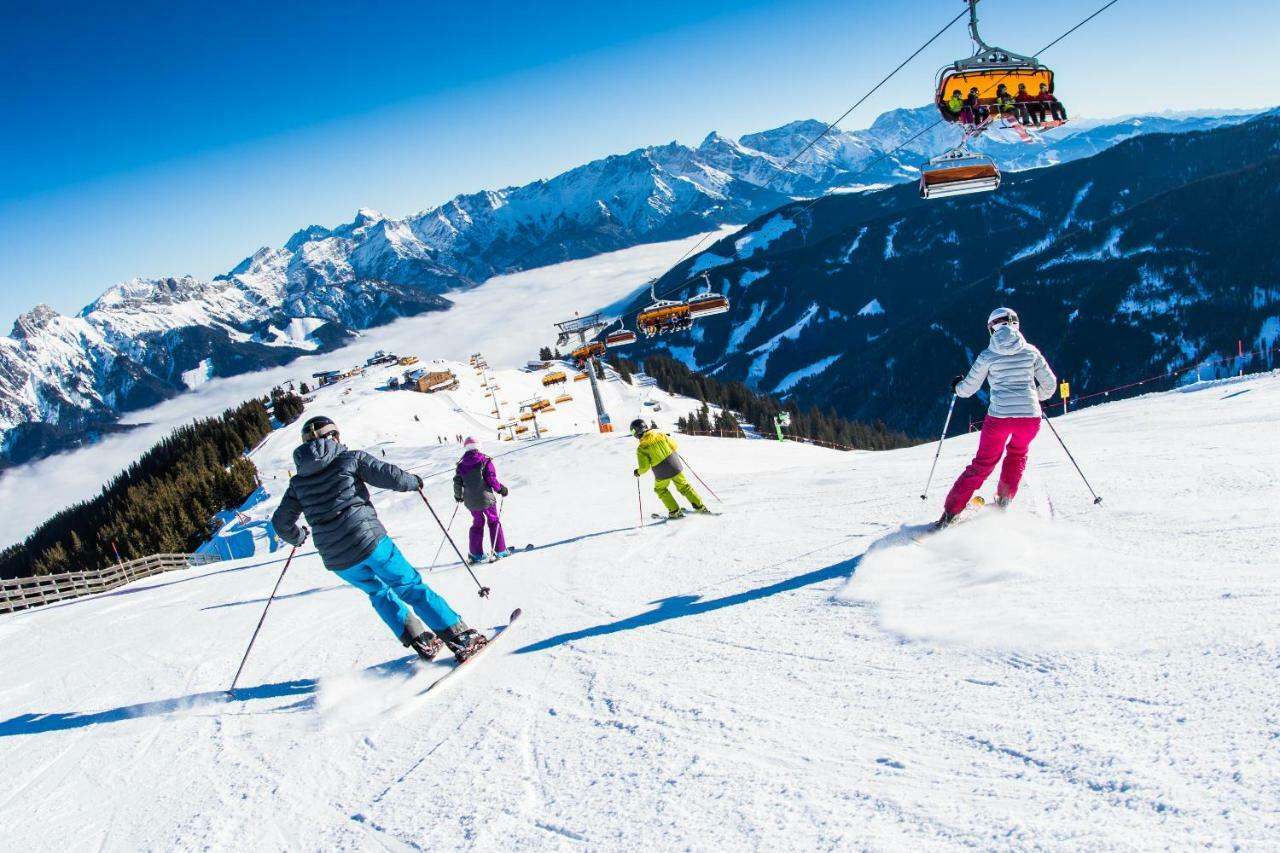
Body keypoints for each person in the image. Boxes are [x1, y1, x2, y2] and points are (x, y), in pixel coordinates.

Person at [271, 416, 486, 662]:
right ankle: (460, 638)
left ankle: (422, 642)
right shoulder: (349, 459)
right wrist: (413, 482)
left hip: (336, 558)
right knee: (409, 586)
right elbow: (388, 475)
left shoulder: (298, 483)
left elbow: (280, 523)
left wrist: (298, 537)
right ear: (334, 437)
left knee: (378, 593)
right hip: (368, 541)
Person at [937, 308, 1057, 528]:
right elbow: (1050, 385)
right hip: (1030, 418)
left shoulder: (988, 355)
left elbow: (968, 390)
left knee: (982, 464)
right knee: (1018, 454)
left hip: (999, 418)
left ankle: (950, 513)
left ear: (991, 328)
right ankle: (1003, 501)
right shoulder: (1032, 352)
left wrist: (956, 386)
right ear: (1016, 325)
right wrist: (1033, 398)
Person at [631, 419, 708, 519]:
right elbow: (674, 446)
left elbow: (644, 467)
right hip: (675, 464)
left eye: (633, 432)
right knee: (684, 486)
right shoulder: (661, 435)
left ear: (637, 431)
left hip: (661, 471)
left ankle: (675, 511)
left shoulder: (641, 448)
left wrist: (638, 472)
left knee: (661, 489)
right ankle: (700, 507)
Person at [453, 437, 511, 562]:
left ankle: (475, 554)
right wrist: (501, 489)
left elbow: (457, 482)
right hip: (486, 499)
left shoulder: (461, 464)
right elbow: (491, 479)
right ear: (479, 446)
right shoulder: (484, 461)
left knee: (477, 523)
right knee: (493, 521)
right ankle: (500, 550)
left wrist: (458, 496)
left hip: (471, 501)